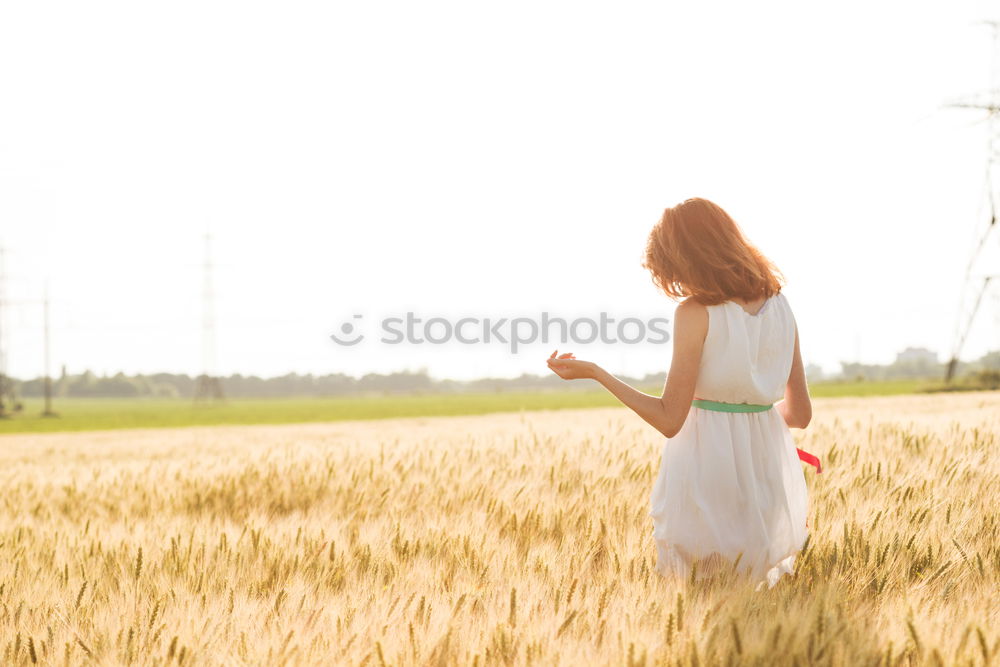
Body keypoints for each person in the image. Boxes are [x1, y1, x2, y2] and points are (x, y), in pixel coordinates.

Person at [545, 197, 821, 591]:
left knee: (703, 592)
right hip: (767, 466)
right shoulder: (781, 305)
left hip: (706, 465)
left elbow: (669, 419)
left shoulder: (695, 312)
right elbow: (800, 415)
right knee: (754, 591)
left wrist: (596, 372)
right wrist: (748, 419)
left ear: (684, 257)